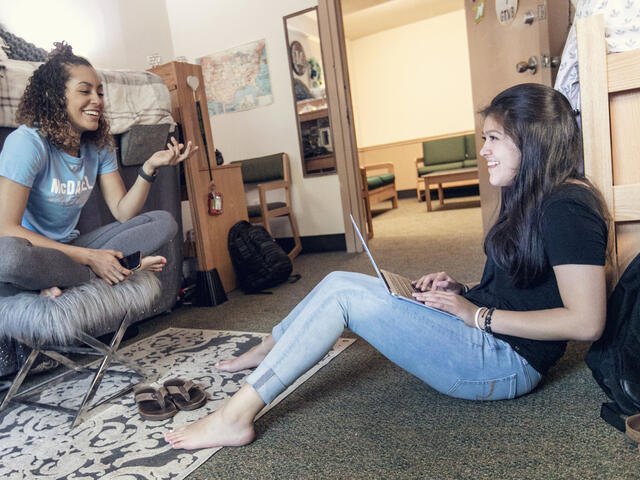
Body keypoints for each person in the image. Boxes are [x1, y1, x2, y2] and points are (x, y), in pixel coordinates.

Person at [165, 83, 609, 451]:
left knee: (344, 296)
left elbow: (586, 321)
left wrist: (476, 314)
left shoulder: (569, 206)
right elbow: (532, 284)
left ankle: (233, 417)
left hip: (506, 363)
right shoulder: (535, 196)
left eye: (493, 138)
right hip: (487, 333)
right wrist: (462, 290)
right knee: (340, 277)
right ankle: (271, 346)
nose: (482, 150)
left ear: (531, 140)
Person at [0, 42, 197, 298]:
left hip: (70, 248)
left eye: (100, 92)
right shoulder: (28, 142)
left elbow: (123, 212)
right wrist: (91, 257)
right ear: (54, 96)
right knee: (10, 257)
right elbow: (5, 228)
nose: (97, 100)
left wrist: (149, 167)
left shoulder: (98, 144)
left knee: (162, 222)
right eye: (85, 91)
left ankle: (69, 278)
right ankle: (123, 269)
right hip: (33, 250)